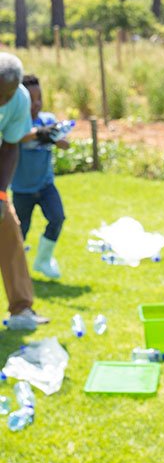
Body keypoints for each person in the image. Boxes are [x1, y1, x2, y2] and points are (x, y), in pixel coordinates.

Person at [0, 54, 50, 331]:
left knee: (8, 230)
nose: (2, 100)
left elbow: (10, 146)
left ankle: (21, 310)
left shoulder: (19, 99)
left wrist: (0, 194)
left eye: (7, 94)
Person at [12, 74, 71, 279]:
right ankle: (15, 267)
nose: (36, 103)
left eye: (40, 98)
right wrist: (41, 133)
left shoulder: (48, 120)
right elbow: (20, 136)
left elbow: (63, 141)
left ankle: (43, 260)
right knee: (20, 231)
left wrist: (58, 139)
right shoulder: (17, 122)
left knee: (57, 218)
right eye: (31, 99)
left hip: (46, 186)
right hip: (22, 189)